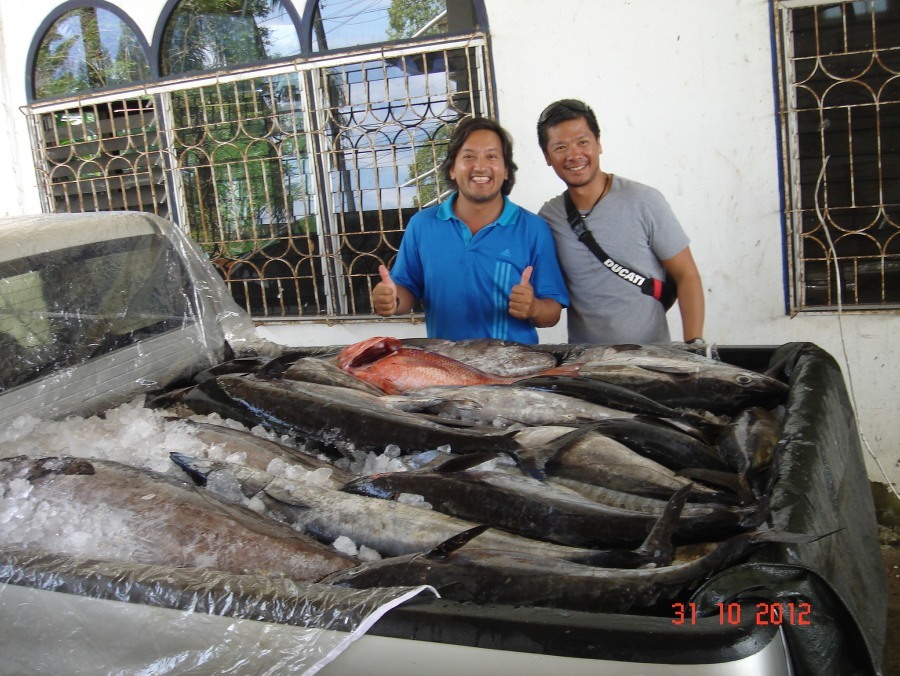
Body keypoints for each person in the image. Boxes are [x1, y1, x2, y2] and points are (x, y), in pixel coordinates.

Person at [372, 116, 569, 343]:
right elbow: (406, 290)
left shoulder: (533, 229)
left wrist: (534, 308)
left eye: (492, 156)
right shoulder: (422, 225)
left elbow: (552, 312)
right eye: (469, 156)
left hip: (513, 373)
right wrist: (392, 300)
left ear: (506, 170)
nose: (480, 166)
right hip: (447, 370)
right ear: (453, 169)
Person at [535, 98, 705, 345]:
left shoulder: (644, 201)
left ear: (598, 143)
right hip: (587, 368)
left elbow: (686, 274)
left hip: (650, 362)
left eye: (582, 142)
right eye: (560, 147)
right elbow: (548, 297)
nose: (574, 155)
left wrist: (695, 345)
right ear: (547, 156)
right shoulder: (549, 218)